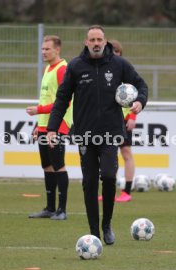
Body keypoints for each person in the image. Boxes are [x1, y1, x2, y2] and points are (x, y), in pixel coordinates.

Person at [46, 25, 148, 245]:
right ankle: (94, 231)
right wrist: (52, 129)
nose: (96, 43)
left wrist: (140, 101)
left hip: (111, 133)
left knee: (109, 176)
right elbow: (62, 100)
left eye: (99, 39)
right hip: (85, 134)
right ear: (86, 42)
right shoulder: (75, 66)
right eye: (92, 39)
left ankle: (106, 224)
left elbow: (140, 84)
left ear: (105, 41)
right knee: (90, 181)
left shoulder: (119, 64)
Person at [26, 35, 72, 220]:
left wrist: (38, 110)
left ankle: (62, 210)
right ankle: (50, 208)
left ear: (57, 49)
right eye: (42, 49)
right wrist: (39, 124)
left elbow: (64, 102)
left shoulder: (63, 69)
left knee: (58, 166)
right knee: (47, 166)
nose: (43, 52)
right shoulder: (48, 68)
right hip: (45, 125)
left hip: (58, 125)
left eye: (47, 49)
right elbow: (47, 98)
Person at [98, 39, 136, 203]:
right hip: (108, 120)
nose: (113, 56)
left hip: (125, 119)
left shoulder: (124, 71)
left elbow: (135, 95)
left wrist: (132, 117)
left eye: (116, 53)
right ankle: (109, 192)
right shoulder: (102, 72)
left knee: (126, 153)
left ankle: (126, 191)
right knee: (110, 156)